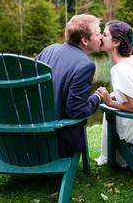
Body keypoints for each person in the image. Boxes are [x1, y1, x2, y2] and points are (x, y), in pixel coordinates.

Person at [36, 14, 103, 157]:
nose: (101, 37)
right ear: (85, 40)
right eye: (98, 34)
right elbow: (76, 111)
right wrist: (97, 97)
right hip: (58, 142)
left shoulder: (50, 49)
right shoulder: (85, 65)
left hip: (33, 134)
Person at [95, 20, 133, 166]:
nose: (101, 37)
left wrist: (110, 102)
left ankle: (116, 157)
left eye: (104, 34)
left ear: (116, 42)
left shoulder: (119, 69)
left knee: (109, 109)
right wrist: (115, 94)